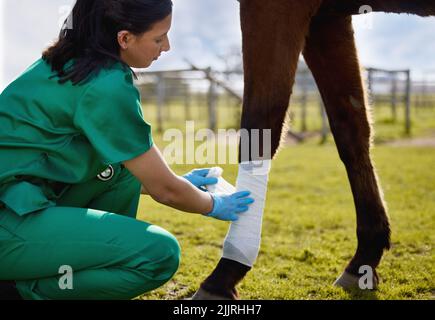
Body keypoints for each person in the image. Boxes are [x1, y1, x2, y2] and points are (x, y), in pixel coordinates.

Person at [0, 0, 254, 300]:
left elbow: (140, 172)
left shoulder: (71, 62)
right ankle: (19, 292)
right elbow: (166, 190)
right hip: (10, 218)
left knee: (119, 173)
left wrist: (180, 181)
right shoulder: (103, 84)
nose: (167, 46)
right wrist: (211, 204)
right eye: (159, 38)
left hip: (21, 201)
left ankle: (50, 273)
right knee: (159, 254)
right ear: (124, 38)